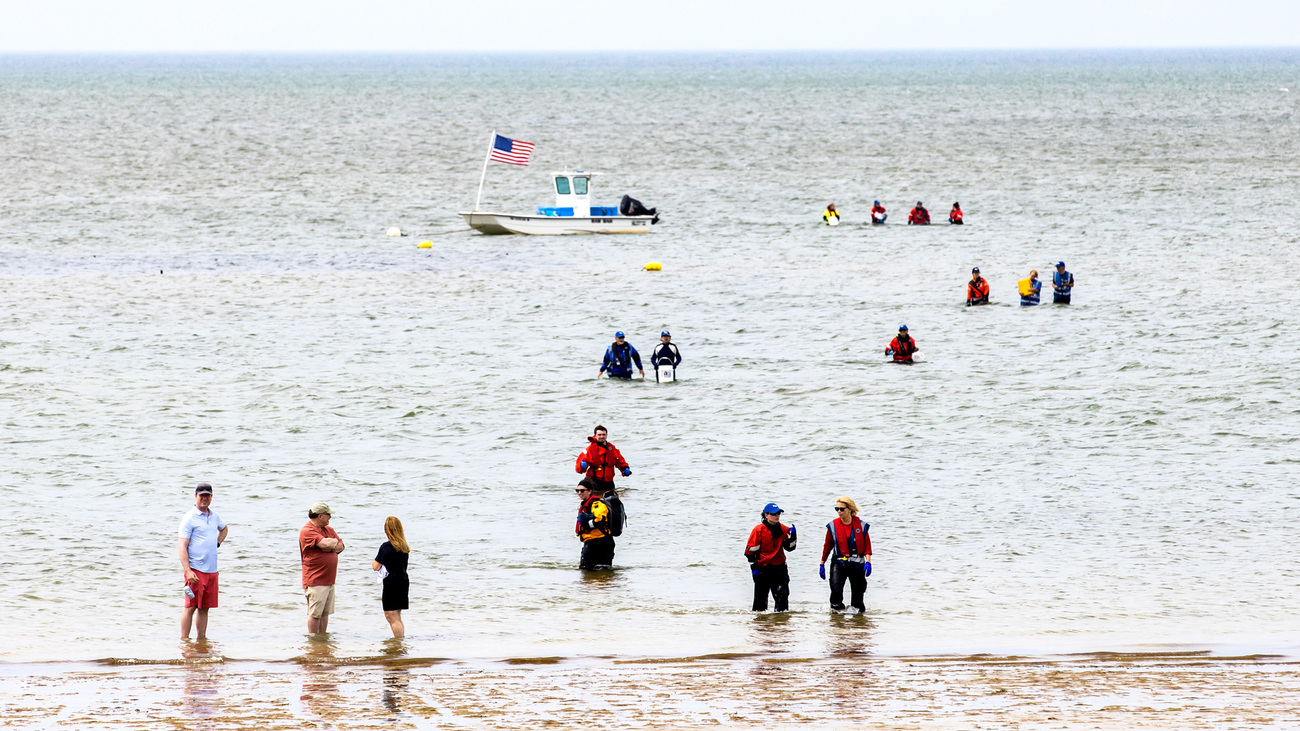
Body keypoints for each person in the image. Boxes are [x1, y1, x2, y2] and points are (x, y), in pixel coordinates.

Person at [178, 482, 227, 640]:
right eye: (202, 496)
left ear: (211, 497)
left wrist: (217, 543)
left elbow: (224, 528)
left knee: (205, 608)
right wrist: (188, 570)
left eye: (207, 495)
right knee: (190, 606)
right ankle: (185, 640)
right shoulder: (189, 518)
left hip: (212, 570)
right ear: (196, 497)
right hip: (195, 571)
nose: (204, 499)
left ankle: (201, 640)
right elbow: (182, 546)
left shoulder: (214, 516)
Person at [819, 497, 872, 613]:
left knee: (858, 600)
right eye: (836, 509)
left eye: (842, 509)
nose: (839, 512)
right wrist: (822, 563)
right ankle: (838, 623)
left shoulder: (861, 526)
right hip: (839, 562)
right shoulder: (833, 526)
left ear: (850, 509)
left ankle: (857, 625)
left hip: (857, 563)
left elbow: (867, 546)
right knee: (836, 592)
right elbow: (827, 546)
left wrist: (868, 562)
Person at [300, 502, 345, 634]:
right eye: (328, 514)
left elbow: (341, 546)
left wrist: (330, 543)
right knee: (315, 613)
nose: (330, 517)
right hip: (315, 579)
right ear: (320, 516)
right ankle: (314, 640)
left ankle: (322, 639)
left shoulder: (328, 529)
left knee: (325, 613)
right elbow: (326, 544)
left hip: (329, 579)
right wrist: (330, 543)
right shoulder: (307, 531)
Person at [745, 503, 797, 612]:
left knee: (782, 597)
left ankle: (780, 624)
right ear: (766, 515)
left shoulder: (784, 529)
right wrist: (754, 568)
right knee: (760, 603)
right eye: (774, 514)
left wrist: (793, 538)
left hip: (779, 568)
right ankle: (760, 626)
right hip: (762, 568)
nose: (777, 516)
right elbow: (750, 552)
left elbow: (790, 548)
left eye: (778, 513)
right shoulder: (758, 530)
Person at [372, 516, 410, 638]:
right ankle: (400, 641)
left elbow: (375, 566)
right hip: (403, 581)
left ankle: (398, 641)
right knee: (397, 615)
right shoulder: (404, 546)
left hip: (392, 583)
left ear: (387, 530)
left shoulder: (386, 547)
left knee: (391, 615)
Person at [574, 425, 631, 494]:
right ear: (595, 435)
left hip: (609, 482)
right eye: (599, 435)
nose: (601, 437)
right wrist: (581, 466)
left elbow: (620, 461)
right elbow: (578, 468)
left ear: (606, 435)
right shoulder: (589, 450)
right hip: (593, 481)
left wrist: (625, 468)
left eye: (603, 435)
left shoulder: (612, 448)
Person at [575, 479, 616, 570]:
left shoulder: (596, 503)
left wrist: (588, 524)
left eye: (582, 490)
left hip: (602, 542)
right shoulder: (585, 504)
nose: (579, 493)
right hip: (590, 542)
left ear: (590, 491)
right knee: (585, 571)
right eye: (577, 490)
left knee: (603, 573)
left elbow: (601, 519)